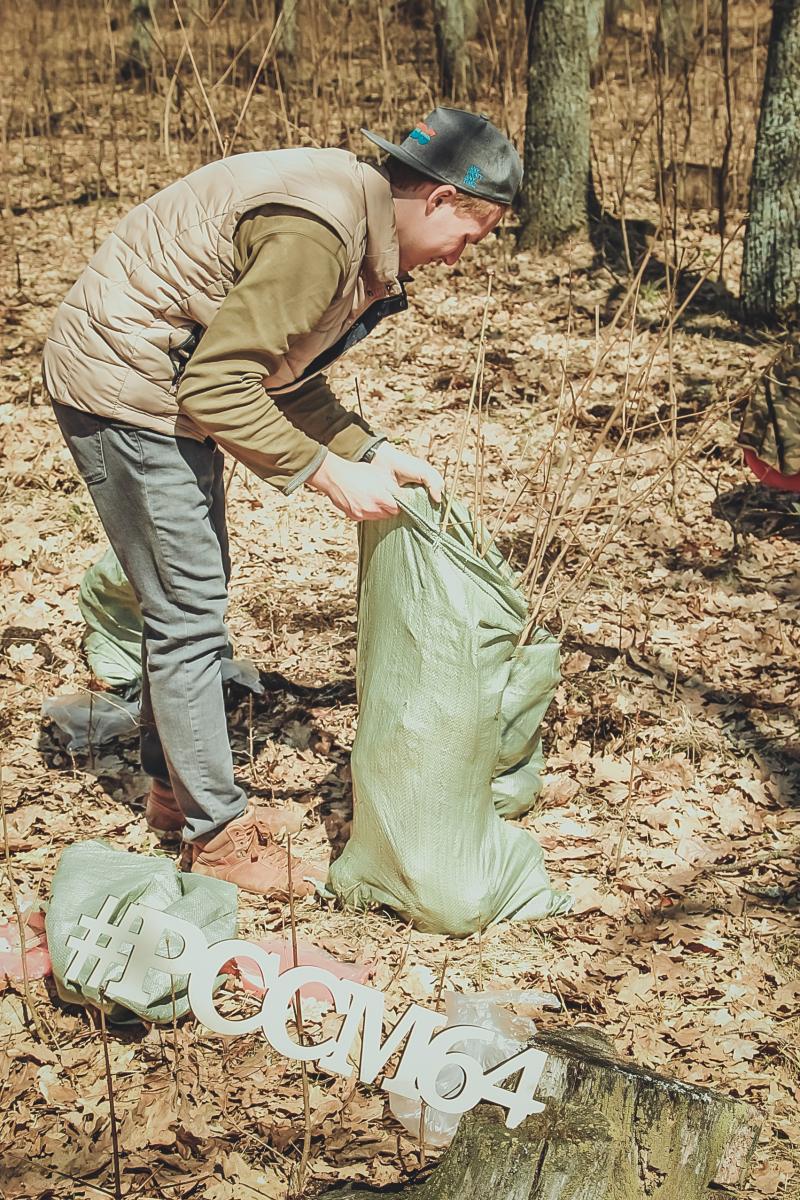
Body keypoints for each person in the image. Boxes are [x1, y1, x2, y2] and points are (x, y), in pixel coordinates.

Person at [43, 106, 521, 896]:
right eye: (472, 234)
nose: (462, 257)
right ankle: (216, 833)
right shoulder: (321, 235)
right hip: (124, 379)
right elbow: (220, 383)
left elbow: (277, 372)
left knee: (188, 599)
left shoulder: (351, 226)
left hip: (165, 378)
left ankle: (173, 789)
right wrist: (329, 476)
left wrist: (370, 449)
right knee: (189, 608)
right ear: (437, 200)